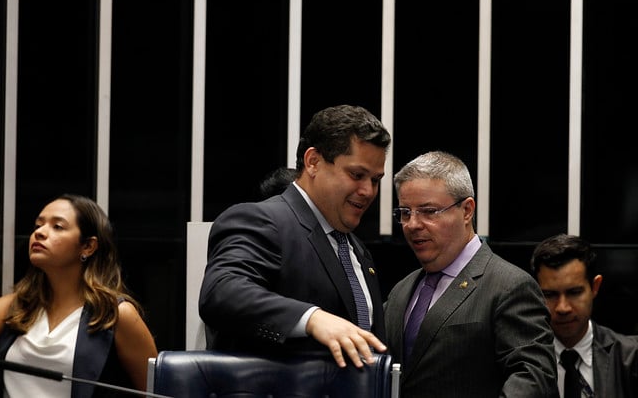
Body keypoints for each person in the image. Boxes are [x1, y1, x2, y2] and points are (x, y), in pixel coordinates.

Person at [199, 104, 391, 368]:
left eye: (376, 180)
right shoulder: (263, 220)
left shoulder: (356, 249)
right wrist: (312, 319)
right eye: (357, 175)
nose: (368, 191)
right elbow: (222, 293)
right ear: (313, 162)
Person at [384, 150, 558, 397]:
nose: (413, 224)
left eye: (428, 211)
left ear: (467, 210)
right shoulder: (401, 291)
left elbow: (534, 379)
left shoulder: (509, 286)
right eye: (405, 212)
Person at [0, 194, 158, 397]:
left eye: (57, 226)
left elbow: (156, 392)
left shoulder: (117, 315)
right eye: (38, 225)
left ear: (88, 246)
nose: (39, 233)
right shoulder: (11, 307)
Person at [530, 233, 638, 397]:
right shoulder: (524, 361)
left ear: (595, 286)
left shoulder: (630, 358)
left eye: (574, 292)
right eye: (550, 295)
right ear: (536, 294)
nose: (563, 307)